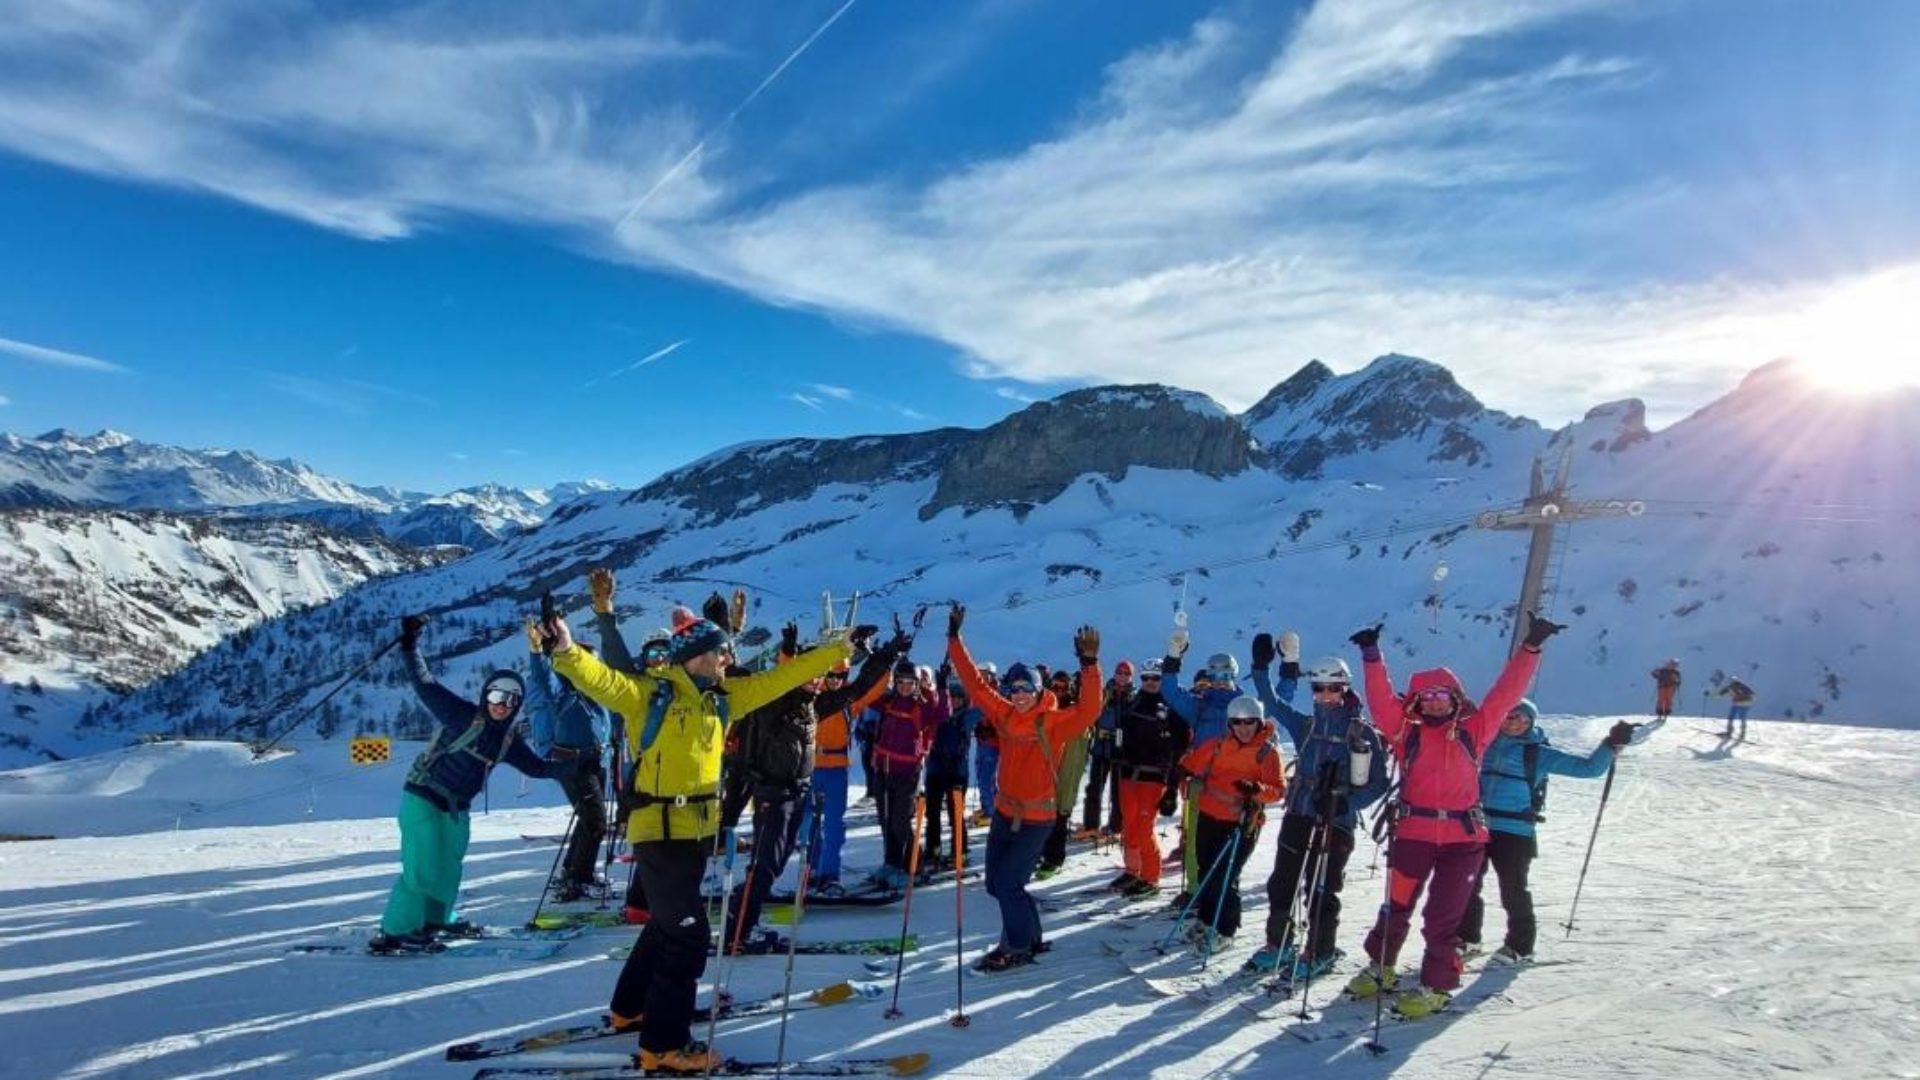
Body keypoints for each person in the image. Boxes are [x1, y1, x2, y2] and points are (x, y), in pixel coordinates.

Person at [544, 607, 853, 1074]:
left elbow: (780, 680)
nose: (728, 659)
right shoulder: (651, 694)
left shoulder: (724, 697)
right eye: (720, 652)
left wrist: (833, 652)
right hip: (660, 832)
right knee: (688, 938)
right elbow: (602, 680)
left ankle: (630, 1008)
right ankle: (664, 1048)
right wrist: (566, 650)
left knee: (665, 926)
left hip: (696, 834)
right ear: (694, 657)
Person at [1344, 613, 1563, 1020]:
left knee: (1442, 918)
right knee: (1396, 906)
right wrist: (1372, 657)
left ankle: (1436, 986)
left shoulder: (1476, 729)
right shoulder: (1405, 732)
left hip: (1463, 841)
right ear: (1415, 703)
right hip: (1414, 833)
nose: (1433, 702)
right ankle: (1381, 968)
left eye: (1440, 695)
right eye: (1425, 697)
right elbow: (1380, 701)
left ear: (1455, 698)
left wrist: (1531, 647)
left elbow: (1506, 691)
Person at [371, 615, 576, 954]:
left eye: (511, 700)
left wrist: (570, 768)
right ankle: (395, 931)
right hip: (423, 797)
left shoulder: (508, 740)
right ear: (486, 695)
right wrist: (410, 645)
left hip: (456, 808)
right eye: (497, 696)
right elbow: (424, 684)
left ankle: (437, 919)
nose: (502, 705)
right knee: (421, 868)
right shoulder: (461, 714)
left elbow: (537, 768)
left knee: (449, 867)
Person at [946, 605, 1103, 972]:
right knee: (996, 885)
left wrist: (1090, 665)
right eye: (1014, 688)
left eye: (1025, 689)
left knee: (1008, 883)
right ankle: (1030, 936)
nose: (1018, 695)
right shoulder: (1003, 714)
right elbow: (973, 681)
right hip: (1004, 811)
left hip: (1037, 818)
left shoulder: (1054, 722)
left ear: (1037, 690)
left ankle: (1015, 946)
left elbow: (1090, 709)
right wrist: (954, 639)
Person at [723, 620, 894, 952]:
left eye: (822, 675)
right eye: (813, 674)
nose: (818, 681)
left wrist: (884, 658)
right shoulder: (777, 701)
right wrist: (791, 654)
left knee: (774, 862)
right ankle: (738, 931)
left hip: (796, 793)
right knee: (765, 864)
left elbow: (855, 691)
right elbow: (765, 678)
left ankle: (742, 919)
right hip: (772, 794)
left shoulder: (813, 705)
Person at [1245, 633, 1390, 980]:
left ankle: (1320, 949)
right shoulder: (1306, 725)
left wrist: (1344, 805)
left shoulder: (1361, 732)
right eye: (1319, 688)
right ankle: (1278, 944)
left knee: (1322, 886)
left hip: (1336, 819)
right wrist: (1261, 668)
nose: (1325, 695)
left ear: (1345, 690)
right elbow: (1271, 702)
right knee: (1283, 881)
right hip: (1300, 811)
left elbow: (1379, 783)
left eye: (1333, 688)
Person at [1457, 699, 1632, 964]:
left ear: (1530, 723)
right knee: (1466, 885)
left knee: (1513, 890)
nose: (1513, 721)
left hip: (1515, 831)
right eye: (1508, 715)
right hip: (1478, 826)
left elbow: (1589, 769)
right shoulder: (1484, 743)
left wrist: (1609, 745)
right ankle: (1468, 939)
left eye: (1521, 717)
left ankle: (1520, 946)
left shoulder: (1537, 753)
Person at [1165, 695, 1284, 943]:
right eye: (1237, 723)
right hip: (1209, 816)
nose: (1243, 728)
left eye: (1249, 722)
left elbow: (1279, 791)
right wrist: (1180, 773)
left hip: (1241, 821)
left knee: (1225, 877)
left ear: (1259, 722)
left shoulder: (1266, 753)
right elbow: (1190, 764)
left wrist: (1256, 789)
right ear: (1230, 724)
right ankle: (1207, 920)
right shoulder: (1217, 744)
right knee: (1205, 870)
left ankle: (1225, 930)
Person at [522, 616, 613, 903]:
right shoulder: (565, 692)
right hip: (572, 763)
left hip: (595, 761)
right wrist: (537, 651)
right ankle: (577, 878)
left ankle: (573, 873)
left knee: (587, 820)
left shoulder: (599, 694)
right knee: (595, 821)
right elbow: (543, 679)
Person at [1158, 639, 1243, 900]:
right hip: (1200, 784)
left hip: (1234, 787)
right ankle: (1196, 891)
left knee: (1230, 842)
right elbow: (1170, 692)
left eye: (1226, 675)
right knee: (1195, 841)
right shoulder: (1200, 705)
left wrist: (1287, 666)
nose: (1220, 680)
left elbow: (1277, 701)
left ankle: (1223, 893)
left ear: (1234, 675)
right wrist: (1173, 658)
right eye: (1215, 675)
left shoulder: (1244, 706)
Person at [1112, 658, 1189, 898]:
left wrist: (1172, 788)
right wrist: (1117, 748)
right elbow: (1121, 730)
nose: (1150, 682)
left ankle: (1151, 878)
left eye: (1156, 677)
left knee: (1144, 828)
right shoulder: (1134, 702)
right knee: (1129, 825)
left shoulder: (1173, 708)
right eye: (1146, 677)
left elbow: (1181, 749)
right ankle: (1132, 870)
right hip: (1128, 774)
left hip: (1154, 778)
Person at [867, 658, 946, 889]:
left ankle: (913, 865)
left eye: (909, 682)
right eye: (900, 681)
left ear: (916, 683)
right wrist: (881, 666)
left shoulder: (922, 705)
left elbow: (942, 713)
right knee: (886, 820)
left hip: (907, 773)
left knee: (900, 822)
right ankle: (890, 863)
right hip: (884, 769)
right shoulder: (889, 702)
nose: (904, 686)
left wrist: (941, 686)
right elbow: (870, 695)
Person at [1037, 668, 1091, 880]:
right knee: (1044, 814)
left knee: (1060, 814)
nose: (1059, 692)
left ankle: (1054, 858)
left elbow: (1091, 710)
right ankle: (1043, 853)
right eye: (1055, 687)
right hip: (1049, 768)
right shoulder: (1048, 708)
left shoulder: (1075, 711)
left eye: (1063, 688)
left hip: (1069, 768)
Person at [923, 663, 978, 869]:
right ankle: (933, 848)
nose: (954, 701)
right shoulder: (939, 713)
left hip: (957, 773)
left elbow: (983, 709)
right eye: (951, 697)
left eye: (958, 697)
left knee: (956, 815)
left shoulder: (967, 716)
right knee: (932, 812)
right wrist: (940, 687)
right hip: (936, 770)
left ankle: (960, 851)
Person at [1084, 661, 1132, 836]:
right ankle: (1090, 826)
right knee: (1094, 787)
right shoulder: (1105, 693)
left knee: (1117, 791)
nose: (1122, 676)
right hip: (1101, 746)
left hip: (1121, 750)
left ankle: (1115, 826)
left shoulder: (1133, 697)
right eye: (1120, 673)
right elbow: (1093, 713)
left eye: (1126, 674)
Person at [971, 662, 1001, 828]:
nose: (981, 675)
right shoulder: (979, 691)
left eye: (984, 673)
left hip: (992, 742)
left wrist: (990, 729)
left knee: (986, 778)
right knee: (981, 772)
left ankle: (990, 811)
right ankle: (988, 807)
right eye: (979, 672)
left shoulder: (995, 692)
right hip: (983, 741)